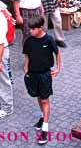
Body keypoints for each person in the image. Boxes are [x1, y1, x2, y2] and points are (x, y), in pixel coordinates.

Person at [23, 16, 61, 145]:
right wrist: (26, 68)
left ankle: (45, 128)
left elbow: (57, 53)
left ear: (40, 28)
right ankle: (43, 117)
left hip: (45, 74)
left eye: (33, 29)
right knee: (39, 97)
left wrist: (58, 68)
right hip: (32, 75)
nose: (31, 31)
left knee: (45, 99)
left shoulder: (49, 39)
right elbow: (27, 55)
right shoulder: (29, 41)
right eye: (30, 29)